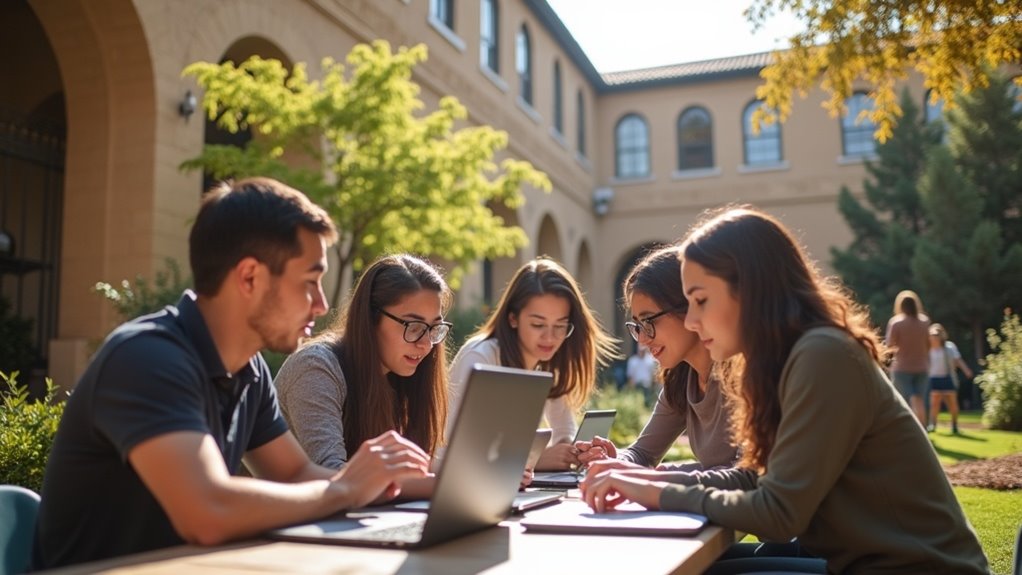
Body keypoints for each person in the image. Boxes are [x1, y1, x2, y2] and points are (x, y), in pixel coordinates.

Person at [32, 178, 430, 569]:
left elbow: (293, 473)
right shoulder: (148, 359)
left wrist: (370, 480)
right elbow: (208, 510)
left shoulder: (248, 369)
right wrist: (344, 489)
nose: (322, 304)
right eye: (310, 282)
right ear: (250, 277)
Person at [581, 206, 989, 574]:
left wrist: (653, 490)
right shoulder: (782, 360)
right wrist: (645, 479)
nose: (692, 321)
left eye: (701, 301)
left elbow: (778, 513)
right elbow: (754, 479)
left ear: (749, 290)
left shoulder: (821, 354)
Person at [274, 254, 451, 474]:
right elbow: (333, 474)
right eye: (414, 326)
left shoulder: (399, 374)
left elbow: (413, 467)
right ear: (370, 318)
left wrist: (459, 474)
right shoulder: (315, 367)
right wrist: (446, 486)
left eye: (434, 328)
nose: (426, 345)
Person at [576, 245, 737, 473]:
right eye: (637, 326)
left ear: (688, 306)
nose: (642, 339)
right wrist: (614, 458)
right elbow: (643, 453)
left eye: (649, 321)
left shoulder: (740, 373)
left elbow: (745, 476)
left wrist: (660, 479)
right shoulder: (680, 379)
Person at [448, 257, 619, 471]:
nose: (550, 337)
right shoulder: (481, 358)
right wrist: (535, 460)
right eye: (538, 324)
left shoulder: (547, 361)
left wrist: (576, 451)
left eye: (560, 326)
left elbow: (564, 431)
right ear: (513, 318)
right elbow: (457, 451)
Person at [886, 289, 932, 425]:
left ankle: (904, 429)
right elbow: (928, 344)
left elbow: (889, 345)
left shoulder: (896, 323)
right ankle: (923, 429)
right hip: (922, 366)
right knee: (920, 400)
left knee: (902, 401)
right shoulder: (925, 322)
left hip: (902, 367)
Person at [927, 323, 973, 434]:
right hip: (933, 379)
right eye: (932, 335)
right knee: (934, 403)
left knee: (952, 403)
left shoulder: (949, 347)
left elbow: (958, 360)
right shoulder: (927, 349)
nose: (934, 337)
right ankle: (933, 424)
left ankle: (954, 425)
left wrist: (966, 370)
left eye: (937, 335)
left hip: (947, 378)